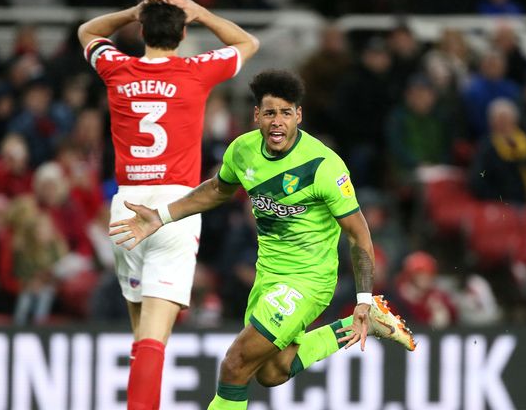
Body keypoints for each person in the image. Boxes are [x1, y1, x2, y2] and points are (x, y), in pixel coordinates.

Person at [110, 70, 415, 410]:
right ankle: (368, 323)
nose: (277, 122)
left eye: (286, 112)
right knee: (271, 371)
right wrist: (162, 216)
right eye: (270, 113)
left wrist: (363, 297)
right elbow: (216, 190)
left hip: (309, 281)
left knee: (235, 364)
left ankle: (369, 312)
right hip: (268, 276)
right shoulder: (242, 151)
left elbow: (359, 235)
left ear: (299, 115)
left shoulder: (323, 165)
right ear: (257, 116)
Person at [77, 0, 259, 410]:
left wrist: (128, 11)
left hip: (126, 206)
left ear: (141, 31)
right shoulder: (194, 71)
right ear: (182, 33)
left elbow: (87, 31)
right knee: (153, 339)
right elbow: (248, 43)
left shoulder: (117, 67)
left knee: (143, 337)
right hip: (174, 208)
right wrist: (202, 13)